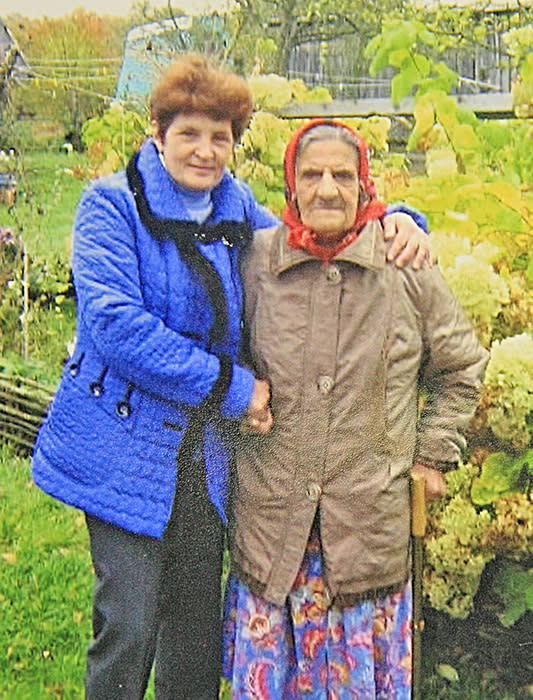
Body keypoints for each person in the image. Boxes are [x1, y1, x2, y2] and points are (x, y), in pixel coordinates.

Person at [31, 55, 430, 700]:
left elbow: (309, 237)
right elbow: (117, 326)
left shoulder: (233, 204)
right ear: (158, 133)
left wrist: (397, 219)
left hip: (206, 453)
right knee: (130, 621)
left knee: (194, 629)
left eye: (220, 137)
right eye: (189, 133)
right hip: (125, 445)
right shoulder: (111, 205)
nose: (205, 150)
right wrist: (235, 389)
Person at [223, 119, 489, 699]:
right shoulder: (256, 263)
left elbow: (462, 368)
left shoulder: (405, 266)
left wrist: (431, 454)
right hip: (273, 527)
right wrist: (241, 395)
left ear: (364, 185)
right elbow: (221, 351)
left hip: (368, 529)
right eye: (312, 175)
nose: (327, 189)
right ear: (291, 186)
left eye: (342, 176)